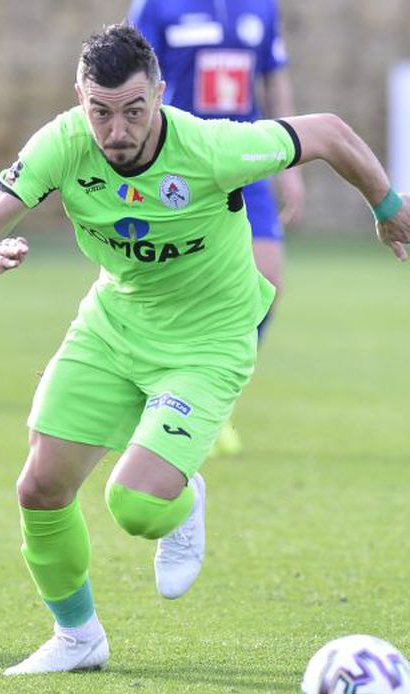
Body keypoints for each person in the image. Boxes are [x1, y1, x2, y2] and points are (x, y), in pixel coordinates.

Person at [0, 24, 410, 675]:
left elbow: (326, 131)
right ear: (79, 98)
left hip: (209, 341)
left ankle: (185, 494)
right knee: (39, 486)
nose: (116, 130)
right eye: (100, 111)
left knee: (137, 506)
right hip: (114, 326)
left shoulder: (209, 145)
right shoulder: (63, 144)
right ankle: (78, 637)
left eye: (133, 111)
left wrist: (387, 204)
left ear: (160, 93)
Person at [128, 0, 302, 455]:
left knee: (269, 282)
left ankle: (214, 400)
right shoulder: (157, 7)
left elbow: (274, 78)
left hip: (245, 160)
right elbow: (132, 80)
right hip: (180, 166)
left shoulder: (261, 8)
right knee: (171, 286)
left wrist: (290, 167)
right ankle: (163, 396)